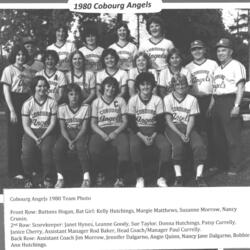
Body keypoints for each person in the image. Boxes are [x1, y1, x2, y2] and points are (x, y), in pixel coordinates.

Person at [127, 72, 171, 188]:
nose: (146, 87)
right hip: (138, 131)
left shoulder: (157, 100)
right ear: (138, 87)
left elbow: (161, 122)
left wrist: (153, 136)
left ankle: (161, 177)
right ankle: (139, 177)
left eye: (148, 84)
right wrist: (142, 136)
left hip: (154, 130)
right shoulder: (133, 100)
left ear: (152, 86)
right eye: (143, 84)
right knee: (134, 146)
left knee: (165, 146)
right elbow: (131, 123)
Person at [164, 73, 207, 187]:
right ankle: (178, 177)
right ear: (173, 85)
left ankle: (199, 176)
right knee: (177, 146)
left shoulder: (192, 99)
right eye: (177, 84)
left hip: (188, 127)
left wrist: (187, 133)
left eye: (183, 83)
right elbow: (168, 120)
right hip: (173, 127)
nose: (181, 86)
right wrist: (180, 134)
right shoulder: (167, 98)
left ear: (187, 85)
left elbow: (192, 119)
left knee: (199, 145)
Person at [211, 38, 246, 175]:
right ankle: (223, 164)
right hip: (217, 101)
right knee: (218, 136)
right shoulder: (217, 68)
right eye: (218, 50)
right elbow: (216, 89)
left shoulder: (236, 65)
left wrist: (236, 105)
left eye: (224, 50)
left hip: (230, 100)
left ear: (230, 51)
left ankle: (235, 166)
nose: (221, 53)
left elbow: (241, 86)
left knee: (232, 136)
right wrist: (211, 107)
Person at [89, 77, 129, 187]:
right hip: (101, 130)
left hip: (117, 130)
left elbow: (125, 121)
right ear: (103, 87)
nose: (110, 89)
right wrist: (102, 134)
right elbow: (93, 123)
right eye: (108, 86)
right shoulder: (96, 102)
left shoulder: (121, 100)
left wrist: (115, 132)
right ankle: (100, 173)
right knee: (93, 150)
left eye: (113, 86)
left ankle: (120, 177)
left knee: (124, 150)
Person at [185, 40, 218, 170]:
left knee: (211, 132)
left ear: (204, 49)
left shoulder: (212, 64)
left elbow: (216, 86)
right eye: (194, 49)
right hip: (194, 100)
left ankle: (213, 161)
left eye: (199, 48)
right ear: (191, 51)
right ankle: (196, 161)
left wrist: (211, 105)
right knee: (194, 132)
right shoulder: (188, 67)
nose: (197, 51)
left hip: (209, 99)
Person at [21, 75, 57, 188]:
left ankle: (47, 177)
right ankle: (28, 177)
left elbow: (52, 123)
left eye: (45, 86)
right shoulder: (27, 103)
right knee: (26, 152)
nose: (42, 88)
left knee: (47, 150)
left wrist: (43, 136)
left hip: (47, 131)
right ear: (34, 87)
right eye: (39, 86)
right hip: (32, 132)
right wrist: (36, 138)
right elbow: (25, 125)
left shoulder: (52, 102)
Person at [1, 44, 31, 179]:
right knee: (14, 138)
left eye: (23, 54)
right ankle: (14, 171)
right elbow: (6, 91)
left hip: (25, 101)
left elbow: (29, 89)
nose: (21, 57)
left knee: (24, 135)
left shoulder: (28, 70)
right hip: (13, 101)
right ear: (14, 55)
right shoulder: (9, 70)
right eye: (18, 54)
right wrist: (12, 110)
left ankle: (28, 167)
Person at [54, 84, 91, 188]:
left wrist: (75, 140)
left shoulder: (86, 107)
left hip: (80, 133)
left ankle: (86, 177)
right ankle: (60, 178)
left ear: (80, 95)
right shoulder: (62, 108)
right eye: (71, 94)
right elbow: (62, 128)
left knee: (81, 147)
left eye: (76, 94)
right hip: (67, 134)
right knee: (58, 148)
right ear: (67, 96)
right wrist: (69, 141)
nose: (74, 97)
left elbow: (84, 128)